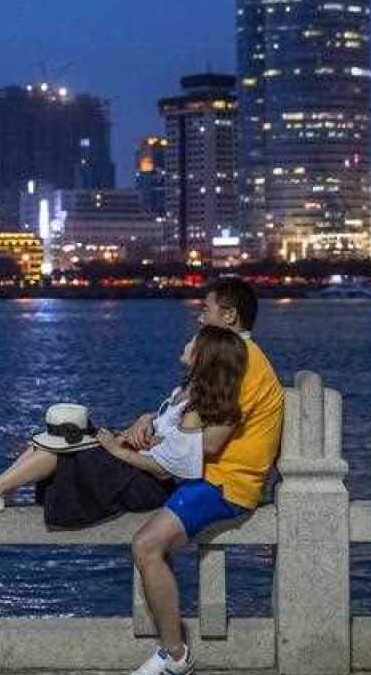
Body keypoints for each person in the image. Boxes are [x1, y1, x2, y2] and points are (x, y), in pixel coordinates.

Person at [124, 278, 285, 675]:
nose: (199, 316)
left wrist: (151, 441)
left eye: (206, 309)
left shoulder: (242, 359)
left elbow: (208, 441)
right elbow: (186, 421)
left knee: (146, 545)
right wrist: (150, 422)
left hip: (224, 482)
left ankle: (174, 654)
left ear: (229, 315)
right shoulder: (229, 354)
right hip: (202, 472)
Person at [0, 325, 248, 533]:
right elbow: (166, 444)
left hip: (148, 486)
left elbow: (173, 467)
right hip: (136, 468)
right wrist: (143, 425)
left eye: (194, 341)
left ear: (204, 355)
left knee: (65, 449)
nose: (187, 343)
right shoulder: (183, 391)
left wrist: (117, 448)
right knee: (60, 434)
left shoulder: (194, 409)